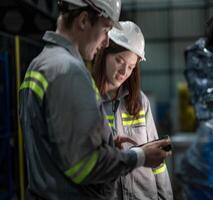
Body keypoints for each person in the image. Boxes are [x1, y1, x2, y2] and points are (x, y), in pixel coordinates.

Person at [19, 0, 171, 199]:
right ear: (83, 21)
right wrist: (139, 156)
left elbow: (59, 150)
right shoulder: (69, 72)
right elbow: (85, 166)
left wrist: (107, 146)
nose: (107, 42)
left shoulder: (39, 65)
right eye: (106, 29)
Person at [92, 21, 174, 200]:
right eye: (119, 60)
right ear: (104, 54)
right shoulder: (89, 100)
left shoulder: (140, 102)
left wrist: (166, 197)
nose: (124, 71)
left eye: (130, 66)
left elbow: (158, 160)